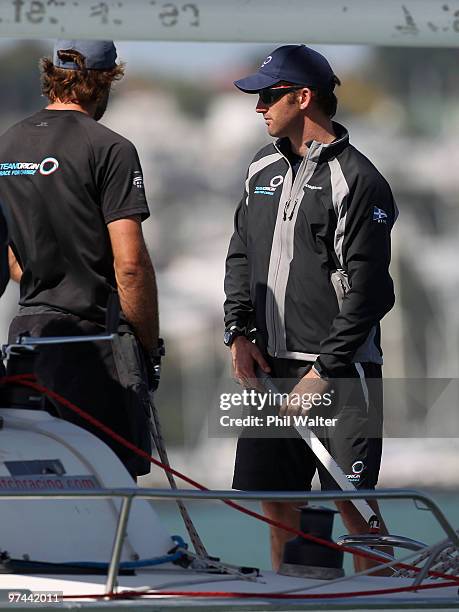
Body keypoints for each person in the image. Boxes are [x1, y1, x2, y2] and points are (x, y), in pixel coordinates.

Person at [224, 45, 397, 571]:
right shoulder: (260, 167)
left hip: (340, 375)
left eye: (268, 96)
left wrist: (323, 371)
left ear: (303, 98)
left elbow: (370, 292)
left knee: (357, 511)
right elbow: (240, 251)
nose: (259, 107)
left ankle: (379, 603)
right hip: (271, 368)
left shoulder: (359, 180)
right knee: (279, 509)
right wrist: (238, 331)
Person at [0, 40, 162, 478]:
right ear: (105, 81)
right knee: (110, 481)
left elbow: (10, 259)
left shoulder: (7, 144)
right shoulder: (110, 148)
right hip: (94, 344)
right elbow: (130, 264)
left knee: (39, 479)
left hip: (26, 342)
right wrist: (148, 345)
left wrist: (43, 277)